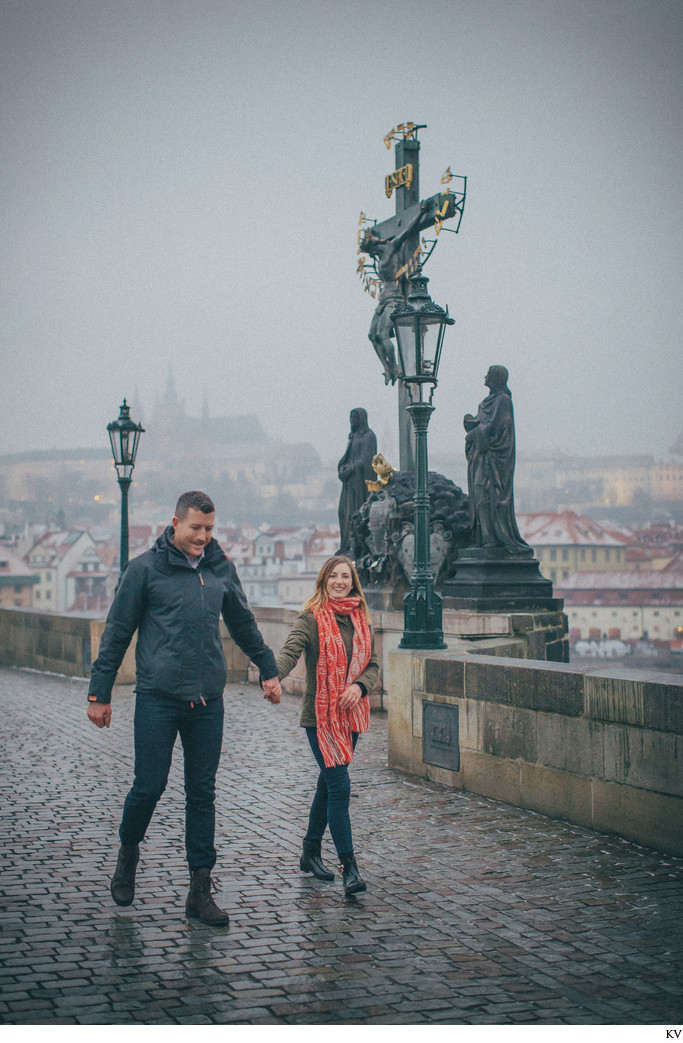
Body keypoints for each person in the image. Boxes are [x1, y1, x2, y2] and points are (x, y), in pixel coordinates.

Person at [87, 490, 282, 926]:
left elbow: (243, 623)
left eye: (210, 529)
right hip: (158, 697)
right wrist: (99, 693)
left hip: (208, 701)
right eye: (196, 528)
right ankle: (128, 854)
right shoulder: (143, 570)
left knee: (202, 794)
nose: (202, 536)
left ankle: (199, 891)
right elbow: (117, 633)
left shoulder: (219, 568)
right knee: (148, 787)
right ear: (175, 523)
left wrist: (268, 670)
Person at [275, 556, 379, 897]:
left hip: (350, 716)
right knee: (340, 787)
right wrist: (271, 674)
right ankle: (349, 868)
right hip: (320, 719)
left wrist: (359, 686)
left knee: (327, 785)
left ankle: (310, 851)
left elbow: (373, 664)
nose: (339, 581)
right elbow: (290, 652)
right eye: (333, 575)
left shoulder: (361, 619)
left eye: (345, 576)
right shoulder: (311, 619)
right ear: (323, 581)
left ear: (353, 582)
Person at [463, 366, 531, 555]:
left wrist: (475, 431)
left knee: (488, 496)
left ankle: (492, 540)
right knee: (478, 497)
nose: (484, 376)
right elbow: (483, 423)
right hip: (482, 458)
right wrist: (471, 423)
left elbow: (494, 428)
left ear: (496, 377)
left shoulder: (503, 401)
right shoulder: (486, 403)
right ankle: (485, 538)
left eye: (488, 374)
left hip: (494, 460)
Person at [361, 201, 428, 384]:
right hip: (383, 301)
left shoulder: (391, 249)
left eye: (372, 250)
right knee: (371, 336)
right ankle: (387, 366)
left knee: (382, 334)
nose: (372, 254)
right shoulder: (381, 257)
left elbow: (406, 231)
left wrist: (420, 213)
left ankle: (396, 365)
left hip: (395, 299)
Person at [337, 408, 377, 557]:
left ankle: (357, 545)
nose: (352, 421)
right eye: (351, 418)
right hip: (350, 483)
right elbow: (348, 457)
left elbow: (367, 460)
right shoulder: (353, 436)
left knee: (357, 512)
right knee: (344, 512)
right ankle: (346, 543)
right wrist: (343, 468)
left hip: (360, 485)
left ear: (361, 419)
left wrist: (351, 468)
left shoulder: (369, 436)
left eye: (355, 418)